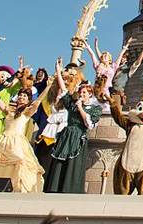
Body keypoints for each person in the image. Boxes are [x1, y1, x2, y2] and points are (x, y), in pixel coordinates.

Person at [44, 59, 102, 193]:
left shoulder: (94, 109)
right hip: (67, 135)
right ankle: (54, 187)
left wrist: (81, 108)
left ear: (90, 94)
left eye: (84, 93)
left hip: (78, 136)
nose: (81, 95)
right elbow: (64, 89)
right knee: (59, 162)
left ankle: (70, 189)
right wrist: (58, 71)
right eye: (80, 93)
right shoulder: (71, 104)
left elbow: (89, 124)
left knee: (73, 165)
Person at [84, 37, 132, 102]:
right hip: (97, 89)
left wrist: (127, 44)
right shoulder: (98, 65)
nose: (104, 57)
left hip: (107, 90)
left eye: (106, 56)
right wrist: (89, 46)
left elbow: (120, 55)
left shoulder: (113, 67)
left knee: (107, 108)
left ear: (109, 59)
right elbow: (92, 55)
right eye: (103, 56)